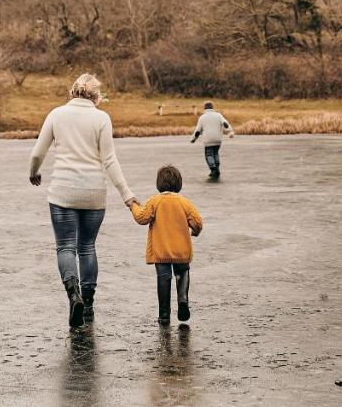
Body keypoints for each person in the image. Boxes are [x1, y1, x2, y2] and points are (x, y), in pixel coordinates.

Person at [29, 74, 138, 328]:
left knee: (66, 247)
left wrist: (33, 172)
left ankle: (73, 294)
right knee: (87, 247)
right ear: (96, 95)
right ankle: (88, 303)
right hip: (93, 193)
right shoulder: (102, 118)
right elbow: (109, 160)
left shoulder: (56, 114)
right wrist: (127, 195)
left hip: (62, 193)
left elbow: (38, 152)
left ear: (73, 92)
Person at [129, 165, 203, 326]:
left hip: (161, 251)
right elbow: (197, 221)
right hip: (182, 250)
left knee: (163, 278)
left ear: (159, 183)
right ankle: (183, 300)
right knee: (182, 273)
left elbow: (142, 218)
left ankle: (164, 314)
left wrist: (133, 206)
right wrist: (195, 232)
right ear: (179, 184)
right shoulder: (184, 202)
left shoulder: (154, 201)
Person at [190, 101, 233, 179]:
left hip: (208, 140)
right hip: (218, 140)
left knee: (209, 154)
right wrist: (230, 131)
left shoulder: (202, 117)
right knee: (216, 153)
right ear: (212, 107)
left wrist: (193, 139)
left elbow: (198, 130)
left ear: (204, 108)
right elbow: (225, 123)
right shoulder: (218, 115)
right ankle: (217, 167)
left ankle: (213, 169)